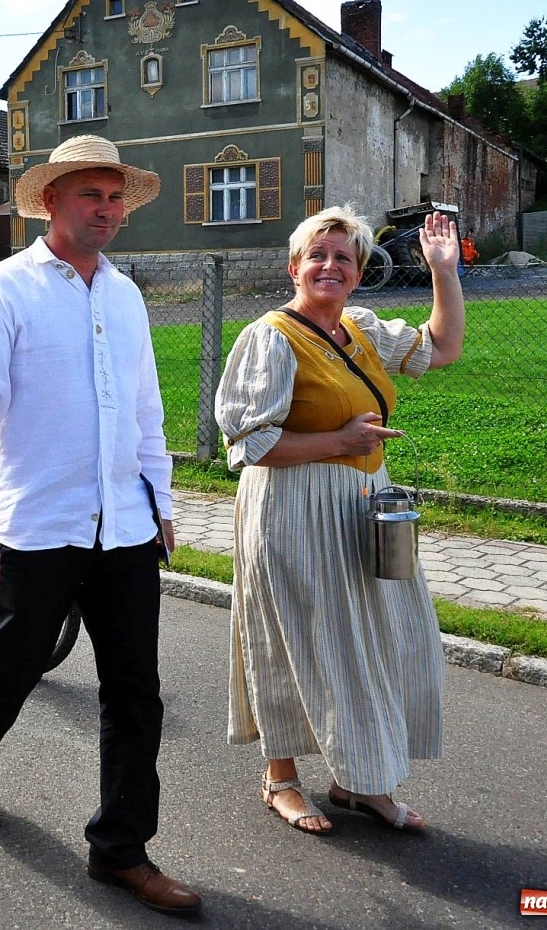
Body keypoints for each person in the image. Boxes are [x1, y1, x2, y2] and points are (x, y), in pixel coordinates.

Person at [0, 134, 199, 916]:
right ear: (50, 200)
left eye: (115, 198)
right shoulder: (3, 291)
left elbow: (146, 408)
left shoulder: (126, 296)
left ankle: (121, 849)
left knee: (135, 692)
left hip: (124, 525)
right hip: (36, 524)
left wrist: (161, 502)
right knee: (12, 667)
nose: (107, 210)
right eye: (92, 195)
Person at [216, 206, 463, 836]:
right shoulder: (271, 337)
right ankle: (280, 778)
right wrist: (340, 441)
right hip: (292, 507)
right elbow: (250, 445)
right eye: (317, 256)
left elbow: (442, 348)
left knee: (374, 637)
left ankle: (358, 779)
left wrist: (443, 270)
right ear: (294, 267)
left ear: (358, 273)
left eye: (343, 258)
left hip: (361, 503)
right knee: (291, 637)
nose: (330, 266)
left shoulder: (362, 328)